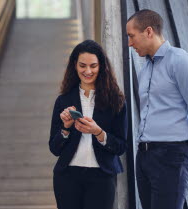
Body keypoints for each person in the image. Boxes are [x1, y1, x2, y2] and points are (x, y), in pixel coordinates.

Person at [126, 9, 188, 209]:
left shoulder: (181, 61)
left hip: (171, 155)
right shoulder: (146, 69)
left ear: (149, 31)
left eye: (131, 36)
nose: (129, 43)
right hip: (145, 155)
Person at [49, 40, 128, 209]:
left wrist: (99, 132)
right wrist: (66, 128)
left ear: (102, 67)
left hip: (102, 177)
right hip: (67, 177)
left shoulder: (116, 101)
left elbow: (121, 146)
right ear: (75, 66)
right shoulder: (63, 101)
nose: (88, 71)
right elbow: (54, 148)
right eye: (82, 65)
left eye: (93, 66)